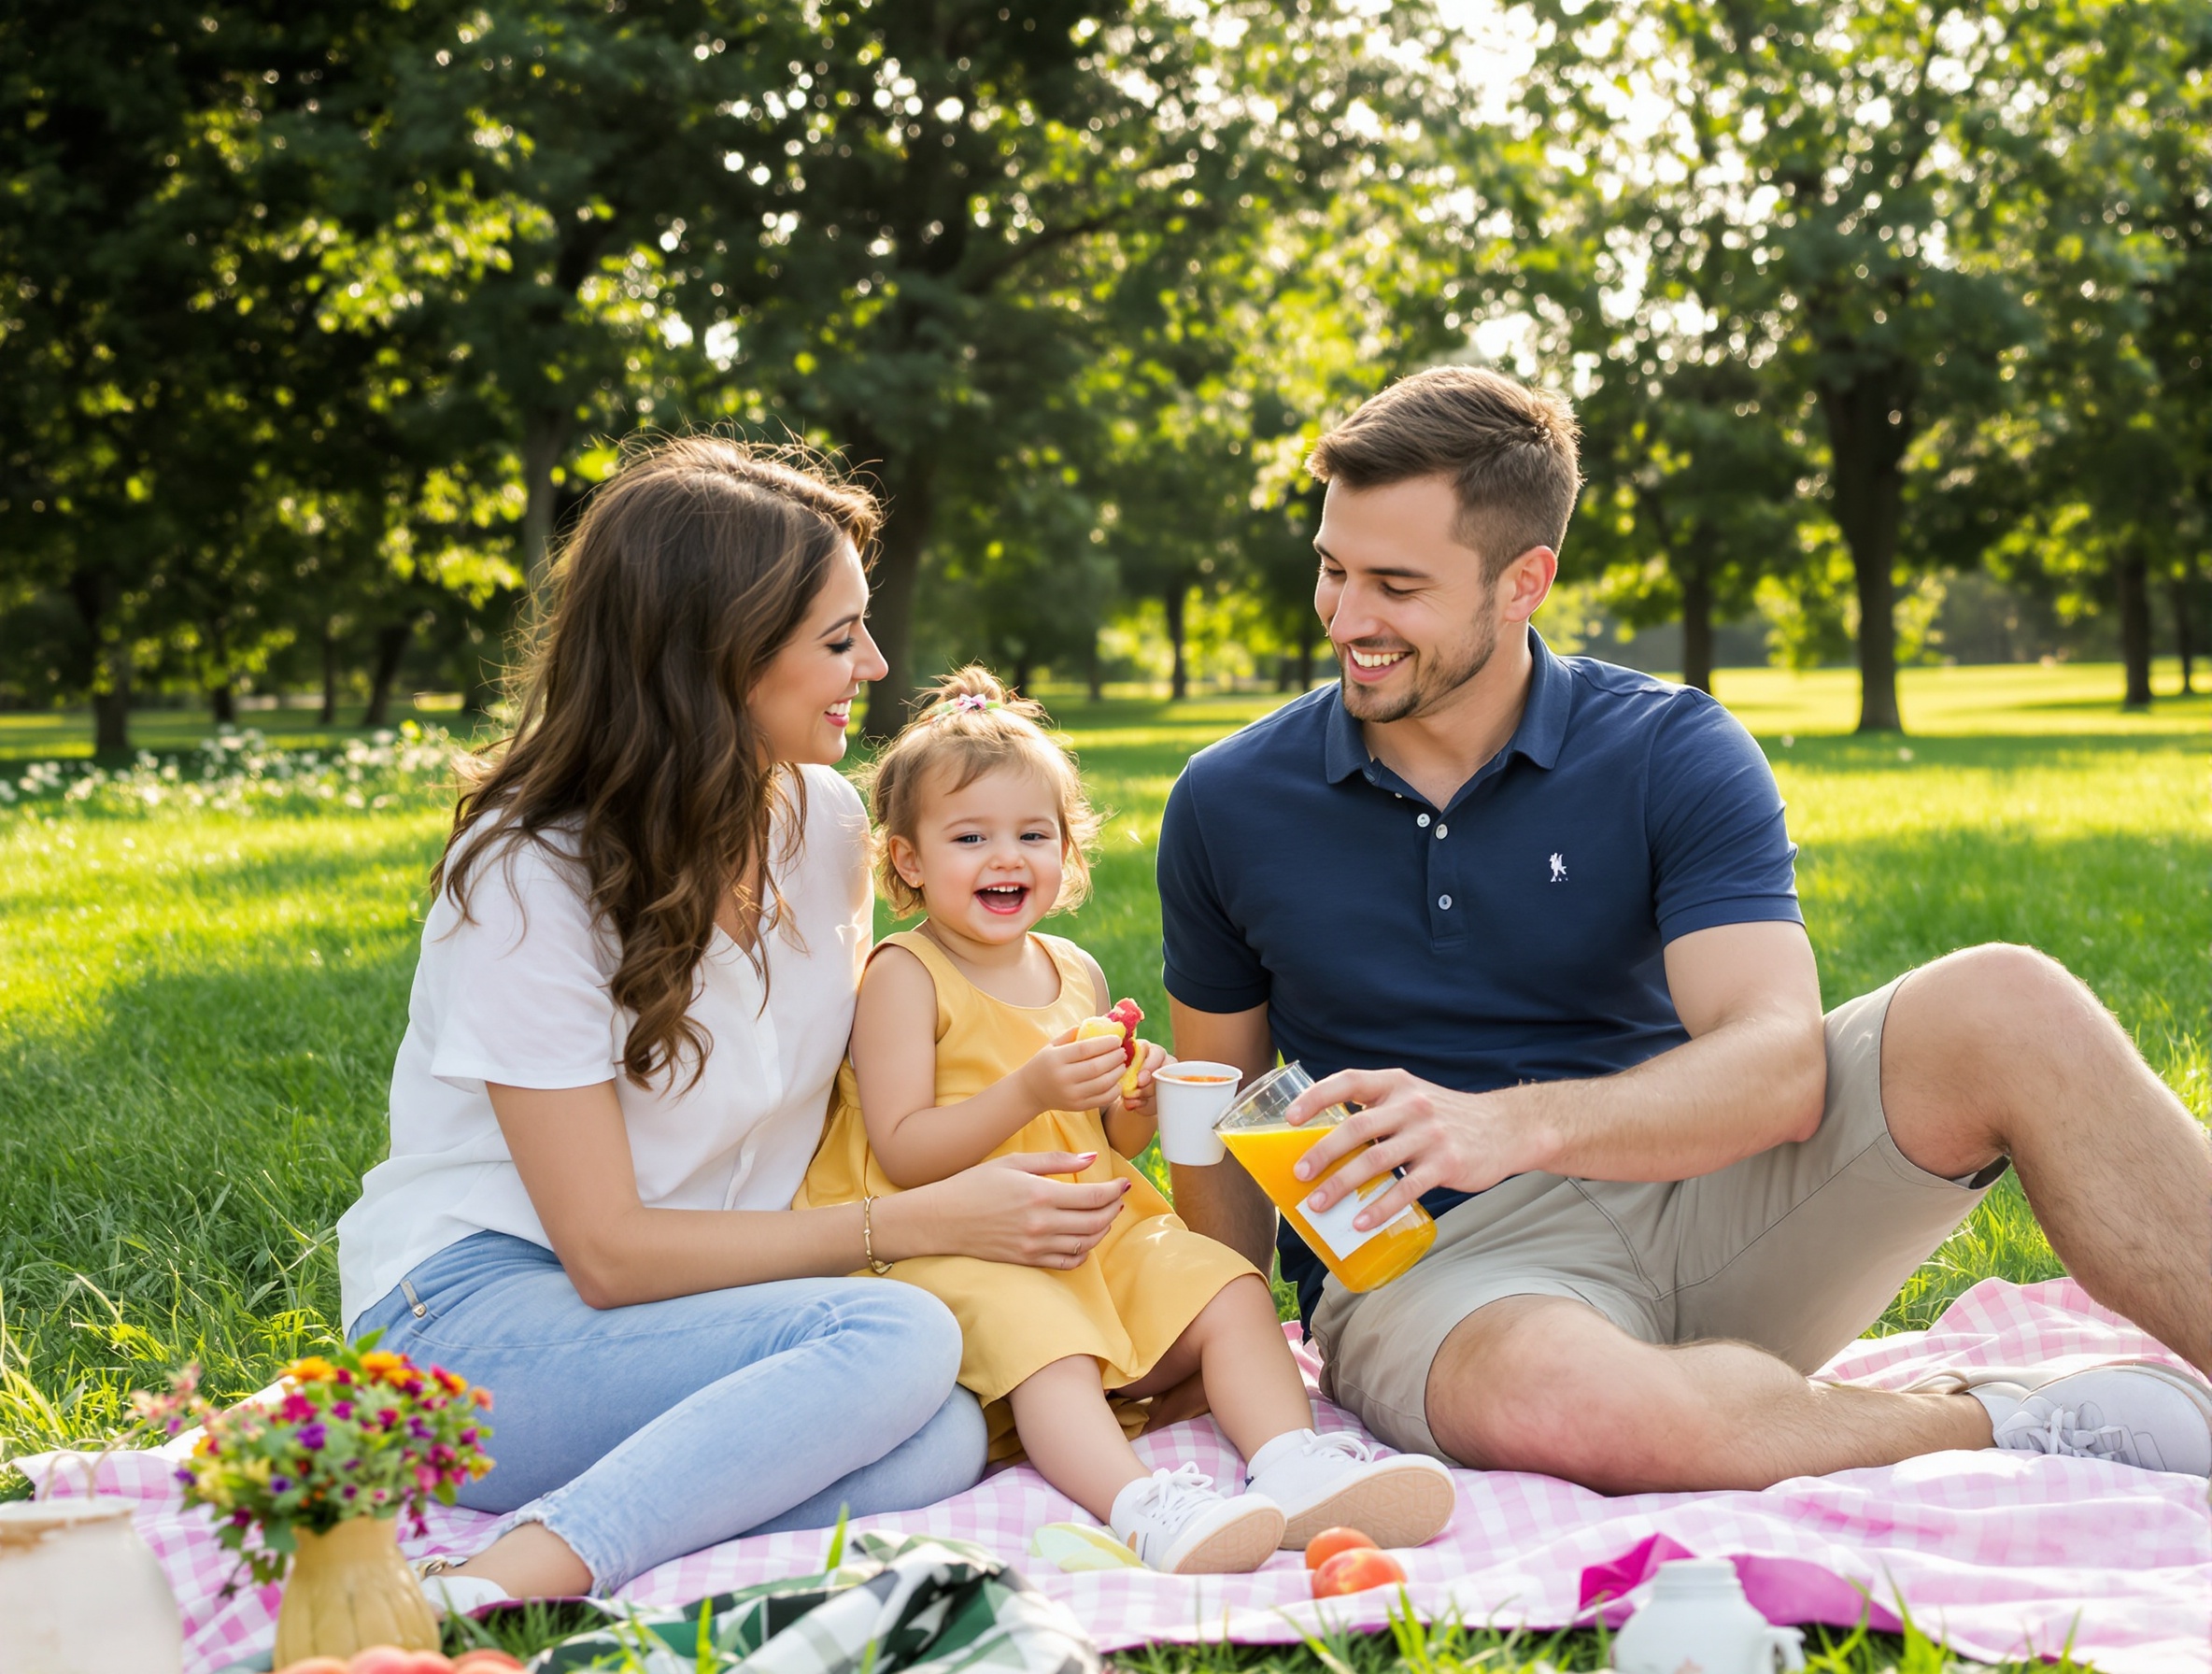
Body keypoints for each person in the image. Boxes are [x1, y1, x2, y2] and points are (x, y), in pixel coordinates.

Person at [1162, 366, 2212, 1492]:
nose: (1345, 616)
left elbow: (1777, 1069)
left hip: (1714, 1197)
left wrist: (1507, 1125)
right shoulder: (1230, 802)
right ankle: (2003, 1426)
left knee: (2009, 1001)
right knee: (1574, 1399)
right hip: (1442, 1273)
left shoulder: (1670, 748)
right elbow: (1214, 1113)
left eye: (1395, 585)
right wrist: (1213, 1347)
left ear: (1525, 581)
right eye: (1331, 568)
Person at [335, 438, 1133, 1612]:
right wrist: (907, 1224)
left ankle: (630, 1503)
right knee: (902, 1342)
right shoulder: (526, 871)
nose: (875, 661)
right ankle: (492, 1587)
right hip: (475, 1315)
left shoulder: (821, 823)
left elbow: (890, 1082)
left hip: (703, 1308)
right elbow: (605, 1253)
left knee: (945, 1439)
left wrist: (1075, 1085)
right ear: (718, 654)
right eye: (836, 637)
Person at [795, 669, 1455, 1573]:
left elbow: (1105, 1146)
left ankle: (1293, 1465)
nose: (1006, 858)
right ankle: (1140, 1503)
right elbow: (904, 1153)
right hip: (963, 1240)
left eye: (1034, 834)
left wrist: (1130, 1107)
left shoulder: (1072, 969)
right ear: (908, 860)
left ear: (1067, 853)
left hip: (1088, 1228)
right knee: (1047, 1338)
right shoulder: (905, 975)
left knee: (1225, 1283)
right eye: (970, 837)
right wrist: (1029, 1089)